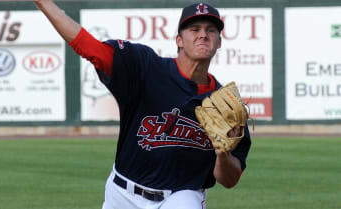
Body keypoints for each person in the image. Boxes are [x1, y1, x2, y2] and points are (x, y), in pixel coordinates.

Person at [34, 1, 251, 208]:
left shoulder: (227, 108)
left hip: (181, 197)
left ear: (219, 42)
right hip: (123, 194)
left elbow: (229, 180)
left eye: (211, 30)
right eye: (194, 29)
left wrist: (222, 153)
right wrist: (44, 3)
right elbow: (89, 47)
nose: (203, 34)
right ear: (179, 40)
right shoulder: (145, 67)